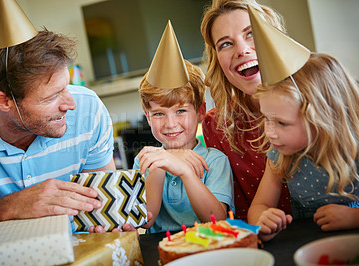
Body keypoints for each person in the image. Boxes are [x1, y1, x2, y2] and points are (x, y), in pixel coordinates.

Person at [0, 28, 141, 233]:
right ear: (3, 101)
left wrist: (113, 226)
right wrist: (8, 208)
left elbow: (102, 211)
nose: (71, 104)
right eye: (51, 97)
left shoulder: (88, 110)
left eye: (67, 86)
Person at [133, 21, 234, 233]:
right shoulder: (145, 161)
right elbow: (146, 221)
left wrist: (186, 172)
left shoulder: (214, 161)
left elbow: (218, 221)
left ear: (200, 111)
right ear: (148, 117)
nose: (170, 124)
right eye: (159, 114)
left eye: (180, 111)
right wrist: (161, 165)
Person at [248, 53, 359, 241]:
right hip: (307, 243)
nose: (269, 132)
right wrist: (262, 221)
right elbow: (260, 206)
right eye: (266, 118)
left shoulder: (354, 149)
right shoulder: (282, 154)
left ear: (323, 117)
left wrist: (354, 218)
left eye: (282, 123)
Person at [200, 0, 291, 221]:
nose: (242, 50)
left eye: (251, 34)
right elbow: (235, 215)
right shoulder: (216, 126)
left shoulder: (319, 101)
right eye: (225, 44)